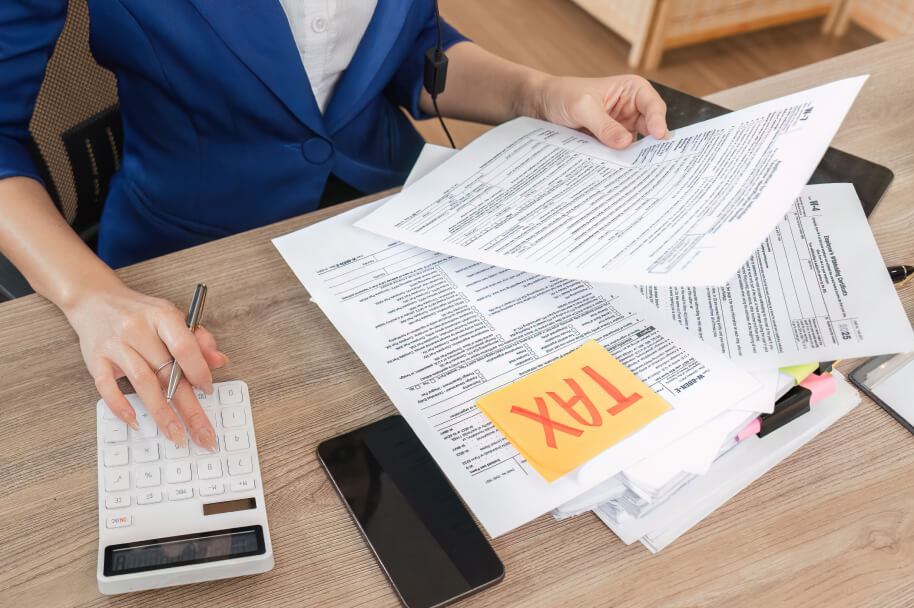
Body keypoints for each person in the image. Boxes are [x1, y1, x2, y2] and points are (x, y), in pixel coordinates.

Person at [0, 1, 668, 451]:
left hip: (394, 220)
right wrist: (87, 293)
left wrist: (540, 93)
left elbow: (411, 48)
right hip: (194, 265)